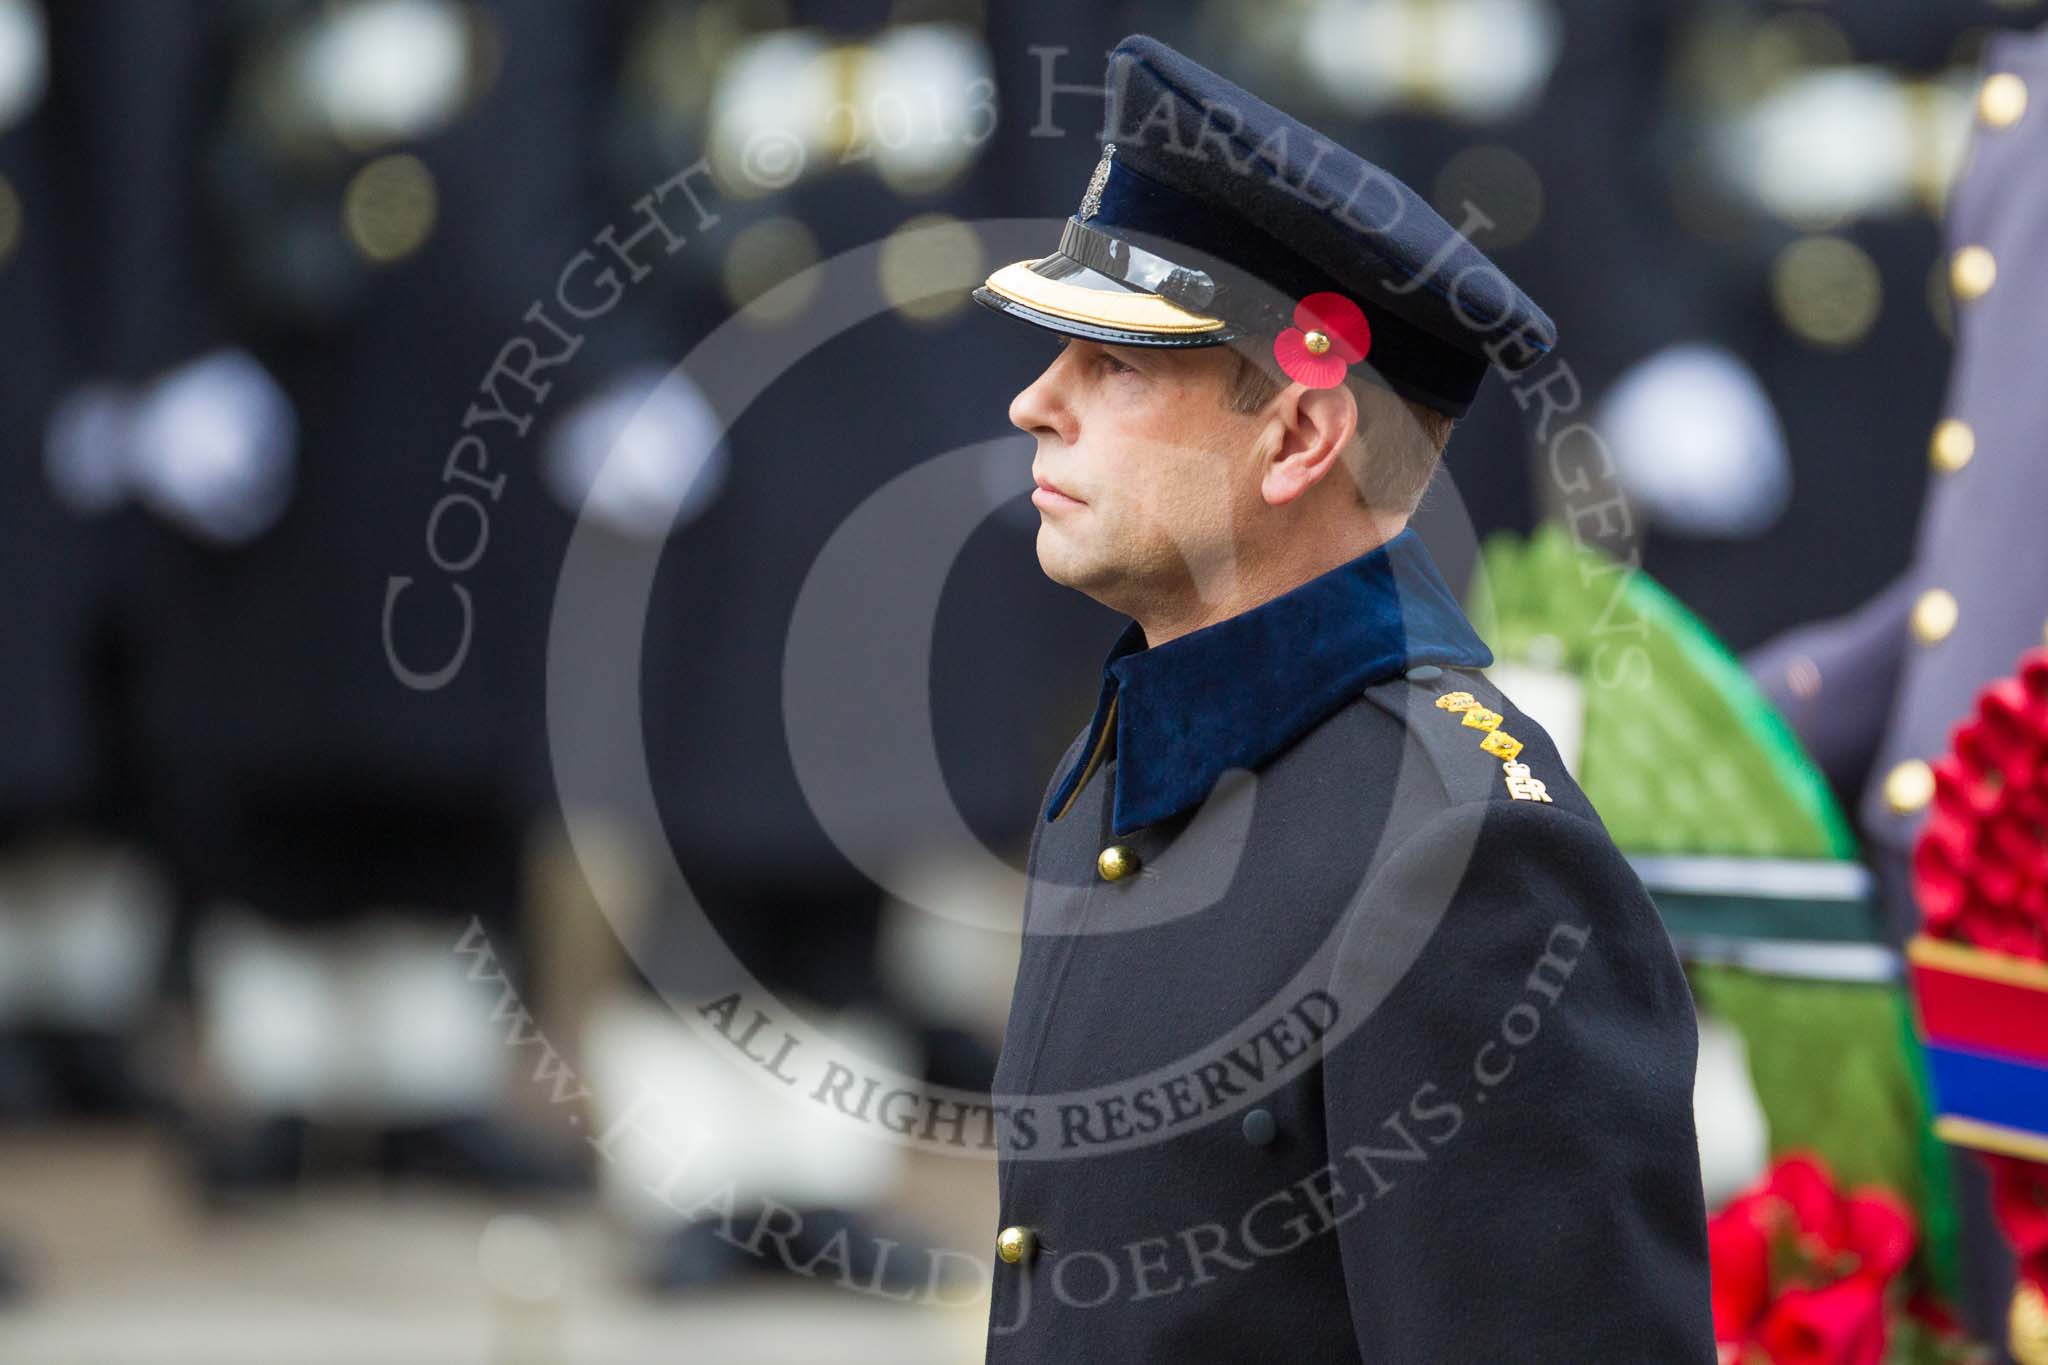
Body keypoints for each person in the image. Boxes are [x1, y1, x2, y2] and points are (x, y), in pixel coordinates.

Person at [968, 36, 1714, 1361]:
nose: (1036, 402)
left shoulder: (1464, 856)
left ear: (1302, 436)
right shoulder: (1128, 755)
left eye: (1119, 365)